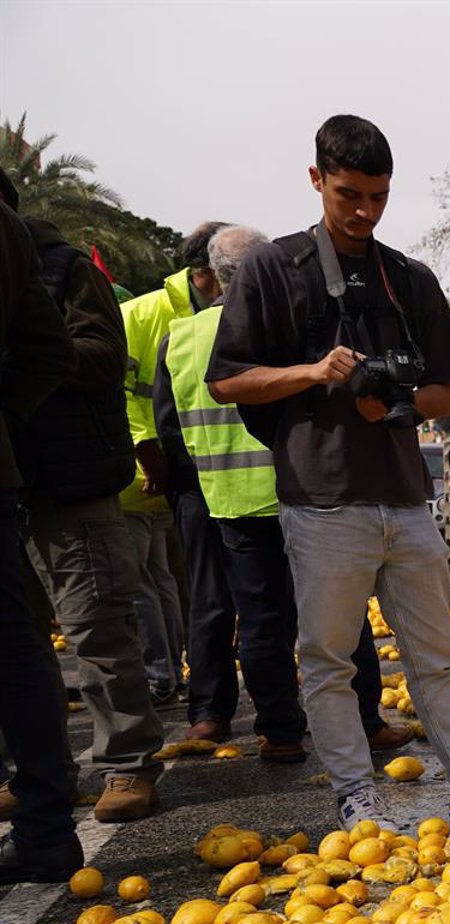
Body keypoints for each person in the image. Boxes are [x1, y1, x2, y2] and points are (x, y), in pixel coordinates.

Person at [207, 114, 450, 829]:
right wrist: (313, 372)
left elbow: (444, 391)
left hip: (404, 495)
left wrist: (393, 403)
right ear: (316, 181)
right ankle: (355, 794)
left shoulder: (408, 277)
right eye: (348, 196)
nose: (364, 211)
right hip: (323, 498)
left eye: (377, 196)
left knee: (435, 653)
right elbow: (226, 382)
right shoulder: (274, 269)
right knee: (329, 659)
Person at [155, 224, 412, 764]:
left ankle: (280, 732)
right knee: (342, 619)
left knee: (261, 620)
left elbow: (168, 428)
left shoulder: (180, 338)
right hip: (307, 492)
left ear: (214, 278)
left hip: (230, 500)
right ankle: (365, 721)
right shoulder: (289, 329)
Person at [7, 178, 166, 823]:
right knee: (17, 642)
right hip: (12, 482)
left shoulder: (65, 269)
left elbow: (105, 357)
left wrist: (25, 356)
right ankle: (40, 769)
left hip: (71, 480)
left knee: (97, 631)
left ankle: (128, 764)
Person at [123, 220, 237, 743]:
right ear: (206, 273)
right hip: (167, 480)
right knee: (196, 597)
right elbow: (121, 395)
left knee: (211, 596)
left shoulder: (244, 312)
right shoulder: (144, 315)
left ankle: (269, 711)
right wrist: (150, 456)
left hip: (235, 481)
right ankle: (199, 703)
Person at [0, 175, 83, 882]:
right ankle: (45, 827)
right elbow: (47, 352)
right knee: (15, 644)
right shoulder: (11, 230)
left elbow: (55, 353)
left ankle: (44, 825)